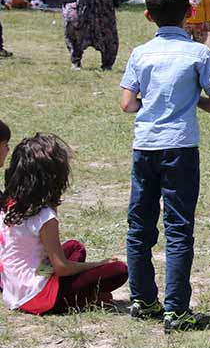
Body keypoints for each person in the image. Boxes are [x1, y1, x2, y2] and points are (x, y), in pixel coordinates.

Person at [119, 0, 210, 332]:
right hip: (180, 147)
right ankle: (176, 309)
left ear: (148, 15)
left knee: (140, 225)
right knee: (179, 228)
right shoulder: (199, 54)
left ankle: (143, 299)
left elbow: (127, 103)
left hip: (145, 145)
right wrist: (189, 97)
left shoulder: (140, 54)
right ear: (190, 13)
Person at [1, 133, 128, 314]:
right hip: (37, 297)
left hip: (14, 290)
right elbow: (62, 267)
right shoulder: (44, 215)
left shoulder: (9, 204)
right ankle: (87, 298)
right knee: (118, 270)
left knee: (75, 247)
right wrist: (99, 264)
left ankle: (86, 294)